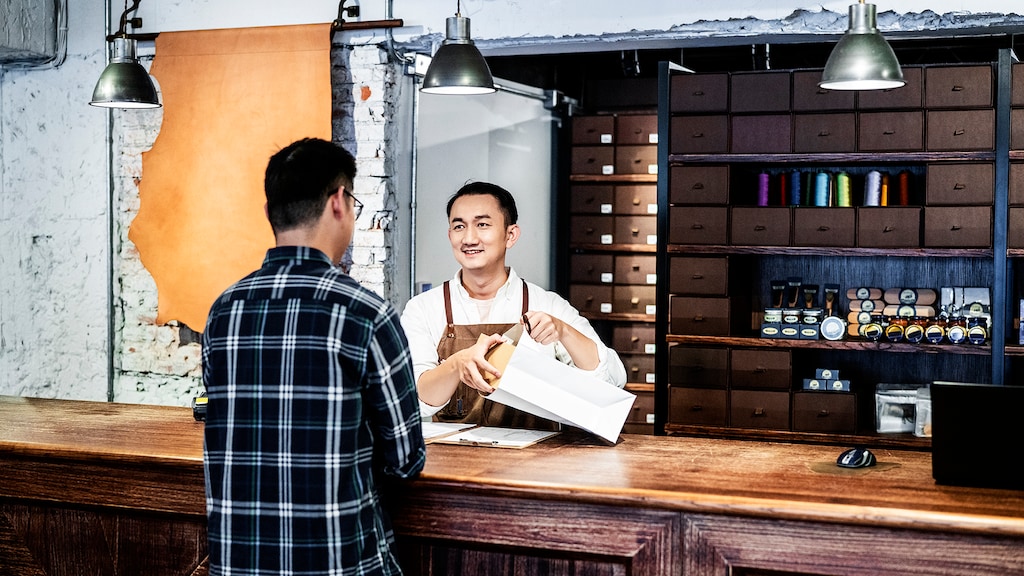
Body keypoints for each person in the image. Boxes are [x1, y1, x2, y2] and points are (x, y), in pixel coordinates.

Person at [202, 137, 425, 576]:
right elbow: (405, 459)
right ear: (339, 201)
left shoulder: (224, 310)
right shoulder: (365, 314)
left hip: (237, 565)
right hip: (339, 564)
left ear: (270, 213)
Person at [400, 181, 627, 429]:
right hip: (456, 461)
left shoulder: (546, 304)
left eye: (482, 225)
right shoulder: (422, 308)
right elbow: (417, 399)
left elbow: (612, 381)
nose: (469, 237)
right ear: (449, 234)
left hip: (537, 461)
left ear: (511, 235)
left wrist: (564, 331)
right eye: (459, 226)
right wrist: (457, 363)